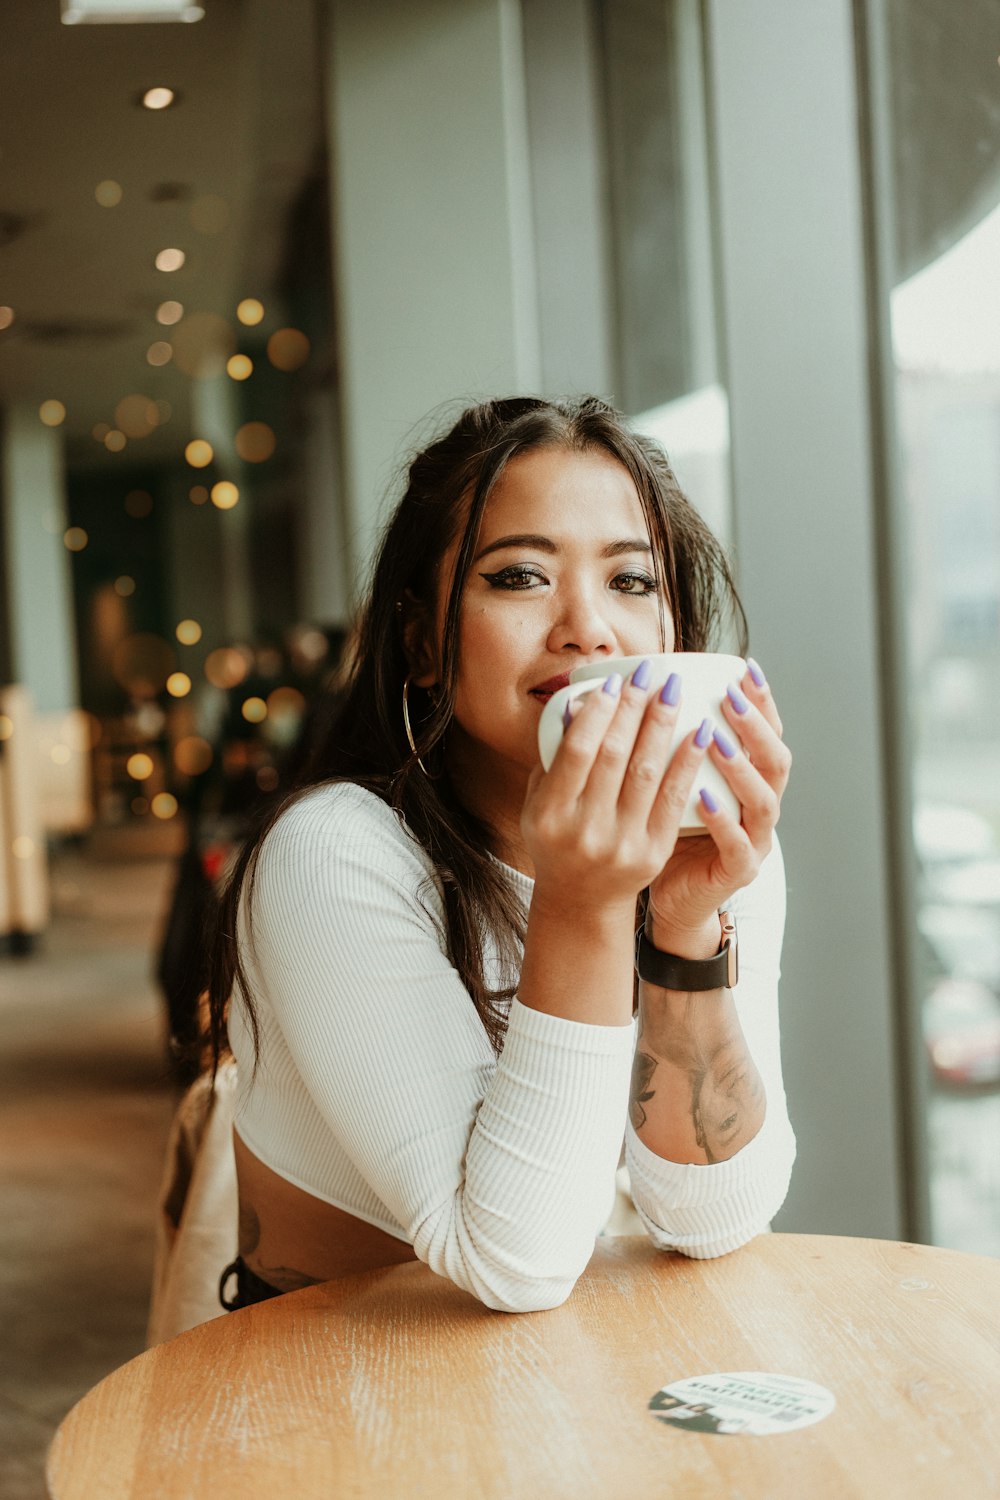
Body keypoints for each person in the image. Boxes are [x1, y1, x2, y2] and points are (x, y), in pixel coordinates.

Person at [208, 394, 795, 1315]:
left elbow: (713, 1216)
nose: (588, 628)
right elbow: (512, 1262)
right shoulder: (332, 856)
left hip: (548, 1377)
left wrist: (685, 933)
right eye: (520, 577)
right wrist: (588, 907)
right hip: (318, 1388)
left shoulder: (702, 848)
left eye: (632, 582)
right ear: (421, 644)